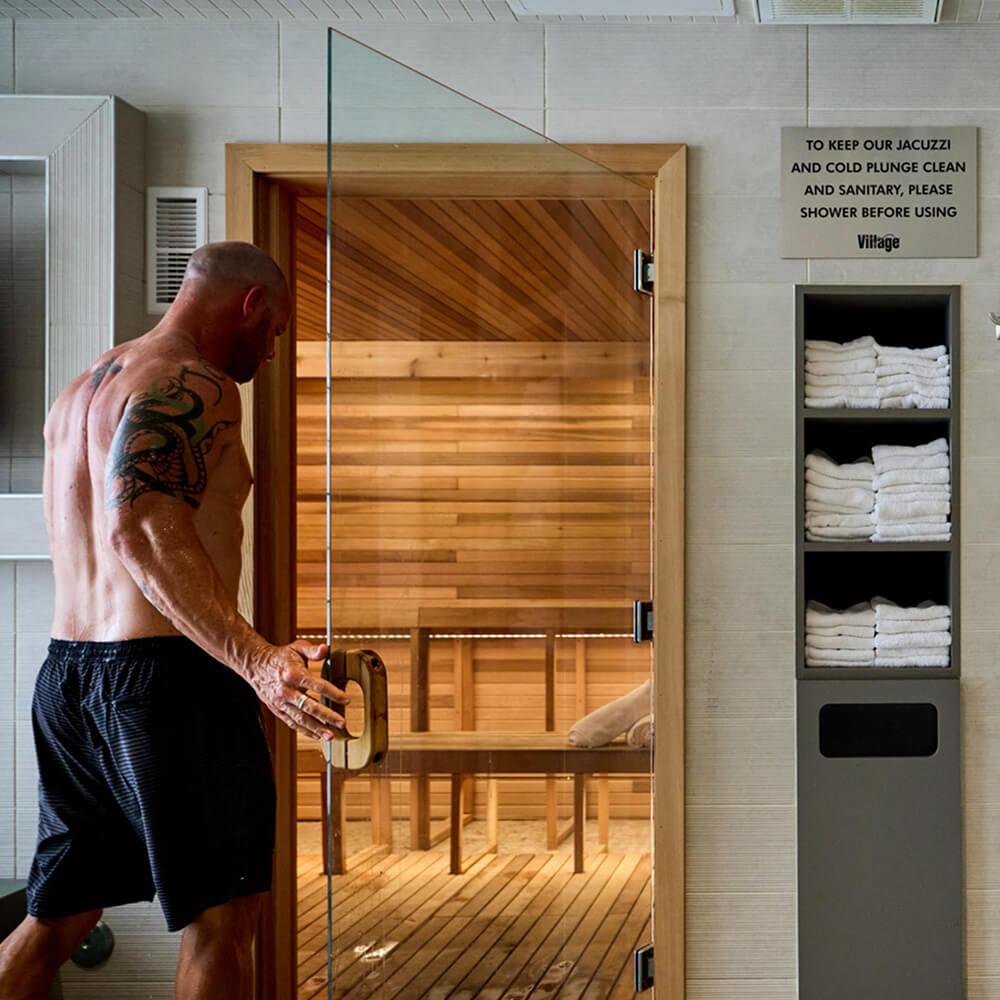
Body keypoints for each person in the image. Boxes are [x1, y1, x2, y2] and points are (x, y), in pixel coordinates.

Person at [0, 241, 347, 1000]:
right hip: (166, 683)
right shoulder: (202, 384)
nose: (274, 347)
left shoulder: (83, 389)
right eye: (278, 328)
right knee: (223, 919)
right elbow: (143, 526)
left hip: (68, 678)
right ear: (251, 306)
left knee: (57, 915)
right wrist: (256, 659)